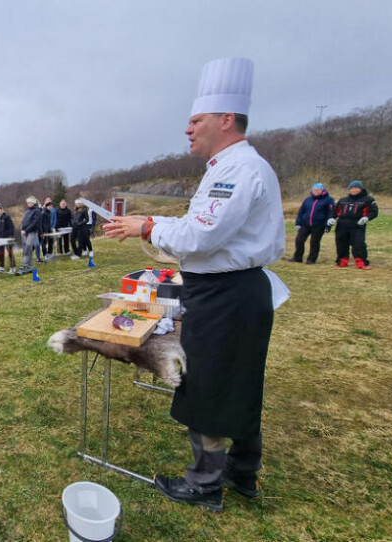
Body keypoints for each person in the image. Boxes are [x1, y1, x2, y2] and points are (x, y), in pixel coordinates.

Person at [105, 57, 287, 512]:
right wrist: (148, 221)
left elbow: (199, 235)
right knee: (241, 381)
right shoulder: (230, 167)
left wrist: (146, 229)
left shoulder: (236, 170)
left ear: (226, 120)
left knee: (206, 384)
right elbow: (195, 223)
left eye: (195, 120)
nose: (187, 130)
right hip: (234, 291)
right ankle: (242, 472)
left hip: (226, 295)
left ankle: (206, 483)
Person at [332, 180, 379, 269]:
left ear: (361, 189)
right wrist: (331, 218)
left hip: (357, 225)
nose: (354, 190)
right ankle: (342, 261)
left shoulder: (368, 199)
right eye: (352, 188)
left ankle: (361, 262)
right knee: (341, 243)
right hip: (342, 224)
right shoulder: (343, 200)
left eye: (356, 188)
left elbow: (374, 211)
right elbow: (335, 211)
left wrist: (366, 218)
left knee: (358, 244)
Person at [290, 183, 335, 264]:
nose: (316, 191)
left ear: (322, 190)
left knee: (314, 242)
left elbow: (330, 213)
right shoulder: (307, 200)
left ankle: (311, 259)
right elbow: (301, 212)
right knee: (299, 240)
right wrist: (298, 223)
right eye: (314, 190)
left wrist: (328, 226)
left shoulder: (329, 200)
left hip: (319, 225)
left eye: (318, 190)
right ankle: (297, 258)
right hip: (305, 224)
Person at [19, 196, 41, 271]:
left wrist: (26, 230)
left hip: (32, 232)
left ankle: (24, 265)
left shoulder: (37, 211)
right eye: (27, 202)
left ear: (33, 202)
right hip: (24, 232)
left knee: (27, 248)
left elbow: (35, 223)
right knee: (28, 249)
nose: (28, 204)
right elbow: (24, 222)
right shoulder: (27, 211)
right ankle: (30, 266)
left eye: (30, 202)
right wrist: (22, 229)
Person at [0, 203, 16, 272]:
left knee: (10, 253)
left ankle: (13, 267)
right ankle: (1, 267)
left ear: (1, 209)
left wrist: (10, 236)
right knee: (1, 253)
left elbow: (11, 228)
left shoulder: (6, 217)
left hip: (7, 238)